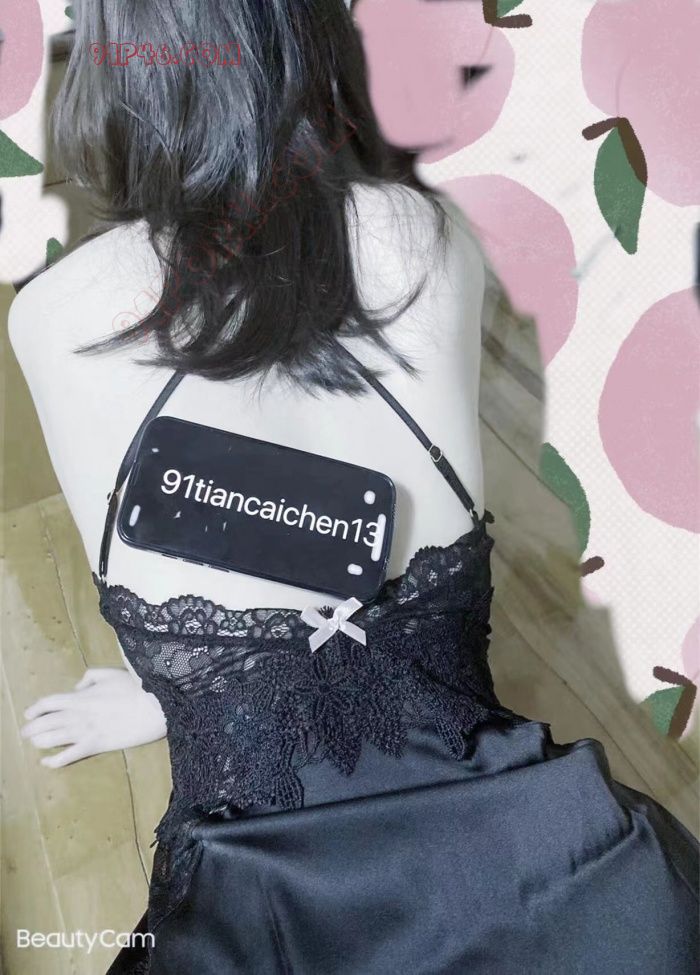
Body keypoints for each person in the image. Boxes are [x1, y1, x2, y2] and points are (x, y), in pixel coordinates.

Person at [9, 2, 698, 973]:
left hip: (269, 914)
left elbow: (199, 597)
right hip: (591, 890)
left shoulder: (57, 320)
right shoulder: (424, 235)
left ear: (115, 54)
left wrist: (180, 695)